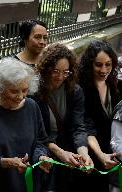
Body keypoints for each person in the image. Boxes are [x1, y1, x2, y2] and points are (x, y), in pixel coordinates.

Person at [0, 57, 52, 192]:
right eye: (14, 91)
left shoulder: (32, 106)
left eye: (24, 90)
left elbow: (40, 142)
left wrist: (40, 157)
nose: (21, 96)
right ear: (0, 87)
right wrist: (6, 162)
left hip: (29, 184)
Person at [34, 43, 93, 192]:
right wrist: (59, 152)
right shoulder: (33, 92)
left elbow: (78, 126)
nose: (60, 77)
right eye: (55, 71)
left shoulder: (74, 91)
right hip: (42, 152)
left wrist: (84, 153)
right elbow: (35, 133)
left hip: (67, 150)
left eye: (66, 72)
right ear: (45, 68)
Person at [79, 40, 121, 192]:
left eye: (108, 64)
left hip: (111, 153)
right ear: (89, 64)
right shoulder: (81, 88)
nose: (104, 70)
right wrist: (100, 155)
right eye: (98, 65)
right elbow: (85, 127)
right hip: (90, 154)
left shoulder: (113, 84)